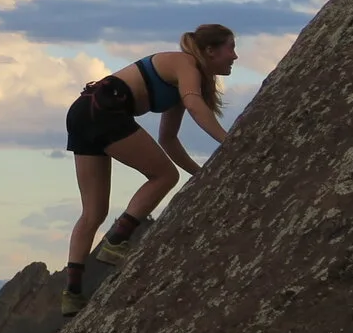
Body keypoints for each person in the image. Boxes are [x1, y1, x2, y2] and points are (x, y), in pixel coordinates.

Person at [59, 24, 238, 316]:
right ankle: (116, 241)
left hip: (84, 112)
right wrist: (230, 142)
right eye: (230, 48)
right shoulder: (186, 64)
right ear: (210, 51)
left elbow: (168, 139)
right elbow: (195, 105)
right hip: (105, 111)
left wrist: (201, 174)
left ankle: (72, 294)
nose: (235, 56)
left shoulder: (181, 77)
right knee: (164, 176)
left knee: (93, 212)